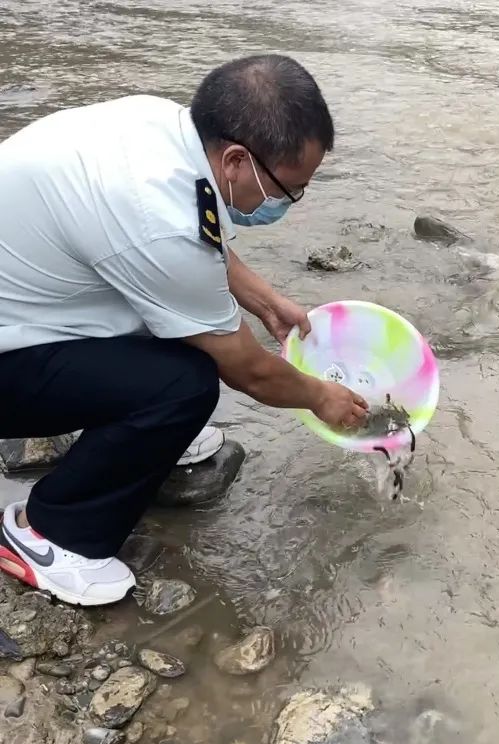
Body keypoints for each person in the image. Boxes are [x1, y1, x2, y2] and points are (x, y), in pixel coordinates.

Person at [0, 54, 369, 607]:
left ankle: (132, 445)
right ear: (238, 160)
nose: (290, 204)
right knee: (186, 384)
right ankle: (48, 534)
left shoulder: (163, 127)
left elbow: (192, 237)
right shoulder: (156, 219)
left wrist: (263, 297)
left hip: (32, 296)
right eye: (290, 190)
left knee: (174, 327)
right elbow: (247, 370)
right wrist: (320, 396)